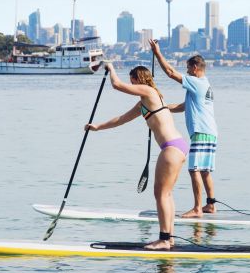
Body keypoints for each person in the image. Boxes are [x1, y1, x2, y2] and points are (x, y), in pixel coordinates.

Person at [85, 62, 188, 250]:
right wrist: (98, 127)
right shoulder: (145, 101)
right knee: (166, 194)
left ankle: (164, 240)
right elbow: (121, 119)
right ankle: (169, 238)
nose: (131, 85)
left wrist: (111, 68)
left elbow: (117, 85)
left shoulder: (149, 91)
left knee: (161, 194)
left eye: (132, 81)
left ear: (136, 79)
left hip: (171, 148)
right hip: (178, 146)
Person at [149, 39, 219, 218]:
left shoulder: (197, 82)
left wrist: (157, 53)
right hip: (210, 132)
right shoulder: (205, 84)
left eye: (188, 68)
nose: (187, 71)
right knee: (204, 171)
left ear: (195, 68)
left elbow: (171, 72)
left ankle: (197, 208)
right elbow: (183, 106)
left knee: (193, 169)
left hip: (201, 132)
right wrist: (162, 108)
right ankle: (211, 205)